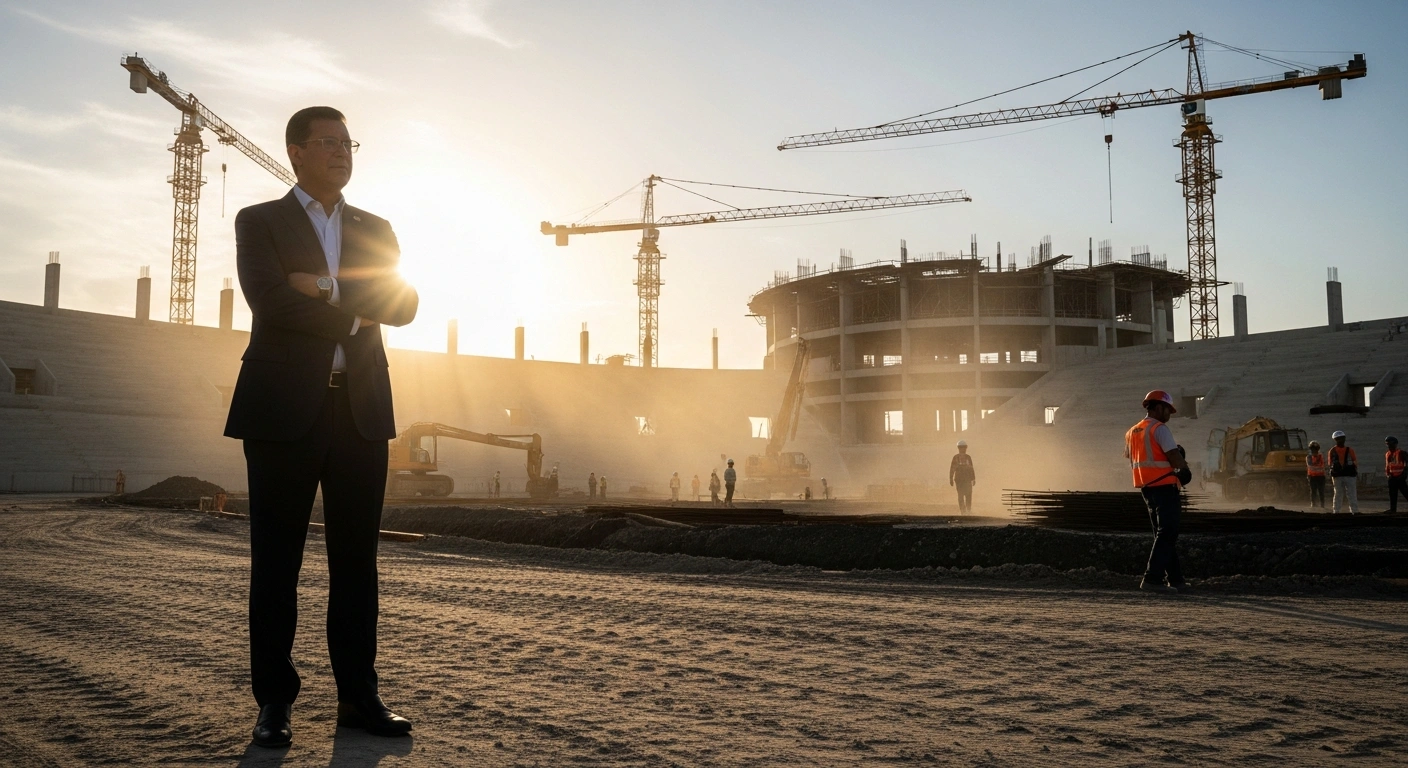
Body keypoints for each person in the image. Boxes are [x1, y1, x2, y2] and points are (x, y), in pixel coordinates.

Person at [223, 107, 419, 748]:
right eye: (328, 142)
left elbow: (404, 304)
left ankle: (359, 698)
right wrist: (356, 312)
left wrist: (327, 289)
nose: (341, 151)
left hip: (359, 414)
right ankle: (274, 703)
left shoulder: (374, 227)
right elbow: (268, 299)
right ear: (296, 151)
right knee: (275, 564)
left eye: (348, 142)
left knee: (357, 566)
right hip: (282, 412)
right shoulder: (260, 221)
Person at [1125, 390, 1193, 595]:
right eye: (1168, 410)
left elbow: (1133, 458)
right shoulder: (1159, 429)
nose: (1169, 415)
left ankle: (1176, 580)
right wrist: (1185, 470)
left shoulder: (1132, 431)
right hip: (1165, 487)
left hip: (1147, 489)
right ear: (1158, 407)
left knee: (1163, 535)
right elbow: (1173, 456)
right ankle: (1152, 579)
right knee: (1167, 533)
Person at [1328, 430, 1359, 515]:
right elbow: (1330, 463)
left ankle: (1354, 511)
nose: (1340, 440)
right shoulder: (1332, 451)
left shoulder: (1349, 450)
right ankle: (1337, 511)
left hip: (1348, 475)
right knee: (1339, 494)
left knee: (1350, 493)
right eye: (1338, 439)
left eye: (1341, 438)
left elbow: (1354, 461)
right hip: (1339, 475)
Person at [949, 440, 976, 514]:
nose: (962, 449)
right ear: (958, 448)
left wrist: (973, 478)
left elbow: (971, 468)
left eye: (964, 447)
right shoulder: (955, 458)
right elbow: (952, 468)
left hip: (967, 479)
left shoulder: (968, 457)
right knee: (960, 495)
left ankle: (968, 510)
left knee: (968, 495)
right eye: (961, 447)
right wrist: (951, 478)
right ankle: (963, 511)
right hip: (959, 480)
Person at [1386, 436, 1407, 514]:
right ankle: (1393, 509)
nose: (1389, 446)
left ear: (1395, 444)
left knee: (1406, 492)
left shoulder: (1401, 453)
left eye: (1390, 444)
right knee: (1392, 494)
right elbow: (1388, 465)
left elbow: (1406, 464)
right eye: (1387, 444)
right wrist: (1388, 475)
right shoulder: (1388, 454)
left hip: (1400, 477)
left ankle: (1393, 509)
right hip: (1392, 478)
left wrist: (1404, 474)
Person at [1305, 441, 1327, 509]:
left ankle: (1320, 504)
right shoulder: (1312, 457)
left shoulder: (1317, 457)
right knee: (1316, 491)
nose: (1314, 451)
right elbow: (1311, 465)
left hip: (1316, 476)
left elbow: (1312, 465)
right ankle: (1315, 504)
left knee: (1318, 491)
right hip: (1317, 476)